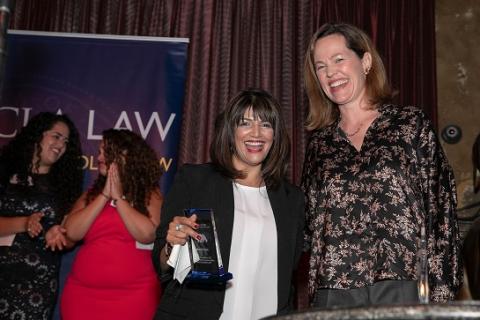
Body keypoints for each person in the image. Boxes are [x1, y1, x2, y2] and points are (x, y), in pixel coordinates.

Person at [301, 22, 462, 308]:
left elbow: (441, 212)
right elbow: (305, 227)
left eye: (339, 59)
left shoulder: (410, 125)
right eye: (321, 66)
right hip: (334, 290)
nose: (330, 73)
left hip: (405, 284)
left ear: (365, 61)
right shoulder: (319, 146)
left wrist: (441, 297)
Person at [152, 88, 305, 320]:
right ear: (231, 132)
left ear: (275, 135)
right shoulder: (196, 180)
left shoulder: (291, 199)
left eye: (266, 125)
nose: (256, 133)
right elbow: (162, 265)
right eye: (245, 123)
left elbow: (288, 274)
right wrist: (171, 245)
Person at [60, 129, 162, 320]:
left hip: (134, 297)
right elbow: (71, 233)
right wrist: (105, 195)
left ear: (124, 156)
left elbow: (148, 234)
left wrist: (119, 199)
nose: (98, 157)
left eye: (105, 152)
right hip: (83, 297)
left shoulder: (149, 193)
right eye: (98, 151)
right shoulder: (91, 194)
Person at [0, 112, 83, 320]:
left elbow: (67, 239)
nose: (60, 144)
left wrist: (60, 235)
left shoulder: (65, 187)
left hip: (38, 285)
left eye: (65, 141)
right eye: (56, 136)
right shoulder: (4, 171)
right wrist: (25, 222)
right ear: (38, 135)